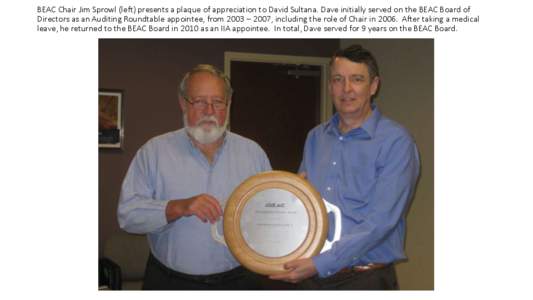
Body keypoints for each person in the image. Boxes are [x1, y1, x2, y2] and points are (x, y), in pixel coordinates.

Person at [269, 45, 420, 289]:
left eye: (357, 79)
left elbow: (380, 222)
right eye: (338, 80)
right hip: (313, 277)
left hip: (365, 280)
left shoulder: (396, 142)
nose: (346, 89)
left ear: (373, 86)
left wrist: (321, 263)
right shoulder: (316, 138)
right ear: (330, 86)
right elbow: (303, 202)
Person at [117, 64, 271, 290]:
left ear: (228, 105)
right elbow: (128, 216)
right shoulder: (153, 153)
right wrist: (179, 207)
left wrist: (295, 199)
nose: (209, 111)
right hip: (170, 282)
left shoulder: (253, 154)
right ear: (182, 102)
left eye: (218, 102)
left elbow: (268, 215)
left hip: (240, 281)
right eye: (199, 101)